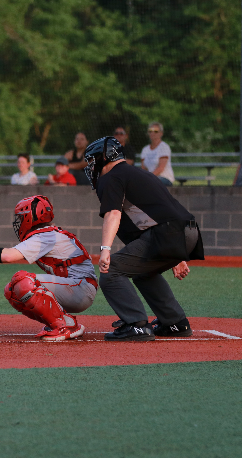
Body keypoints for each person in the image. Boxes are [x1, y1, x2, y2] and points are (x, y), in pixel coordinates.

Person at [83, 136, 204, 341]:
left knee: (111, 270)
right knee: (142, 272)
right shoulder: (139, 173)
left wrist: (105, 249)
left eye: (93, 160)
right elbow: (163, 209)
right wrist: (177, 253)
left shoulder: (111, 176)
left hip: (167, 234)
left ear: (105, 157)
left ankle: (136, 324)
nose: (91, 167)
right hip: (186, 231)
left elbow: (113, 213)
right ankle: (175, 323)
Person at [0, 195, 97, 341]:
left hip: (81, 289)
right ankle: (59, 322)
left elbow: (8, 256)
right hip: (75, 287)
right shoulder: (47, 233)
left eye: (21, 217)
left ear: (30, 217)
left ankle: (66, 326)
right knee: (11, 291)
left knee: (23, 281)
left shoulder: (46, 236)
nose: (19, 221)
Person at [140, 122, 174, 186]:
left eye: (156, 131)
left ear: (161, 133)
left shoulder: (164, 147)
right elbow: (143, 168)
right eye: (150, 131)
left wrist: (149, 178)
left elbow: (161, 168)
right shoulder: (145, 149)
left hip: (164, 178)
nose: (152, 133)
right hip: (150, 178)